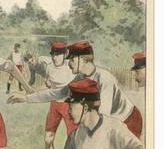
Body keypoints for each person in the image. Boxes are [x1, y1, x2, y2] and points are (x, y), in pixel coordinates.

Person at [8, 40, 143, 139]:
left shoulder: (104, 78)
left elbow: (104, 115)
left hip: (127, 121)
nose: (69, 63)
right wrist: (26, 98)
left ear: (82, 60)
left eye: (72, 59)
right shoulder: (80, 77)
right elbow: (60, 92)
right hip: (110, 123)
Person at [25, 41, 76, 149]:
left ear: (65, 54)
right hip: (55, 106)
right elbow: (48, 84)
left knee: (74, 139)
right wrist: (36, 90)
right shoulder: (48, 66)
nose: (54, 57)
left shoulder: (72, 66)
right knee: (48, 139)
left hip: (69, 105)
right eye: (53, 54)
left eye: (58, 54)